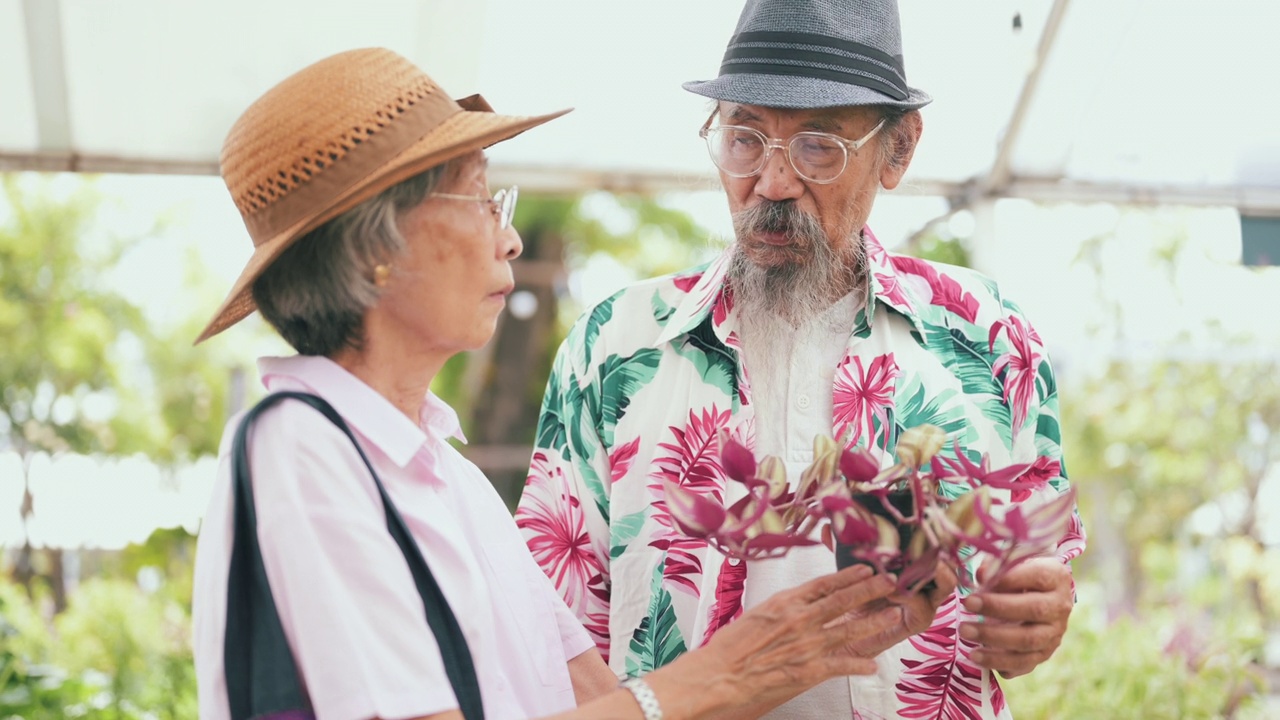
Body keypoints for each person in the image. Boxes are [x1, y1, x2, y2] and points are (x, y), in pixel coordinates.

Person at [189, 47, 950, 720]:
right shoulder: (299, 449)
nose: (509, 236)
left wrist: (771, 660)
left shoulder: (443, 473)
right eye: (481, 198)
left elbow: (589, 692)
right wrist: (726, 675)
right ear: (375, 251)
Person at [515, 1, 1087, 718]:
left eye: (818, 147)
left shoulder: (987, 334)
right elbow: (551, 627)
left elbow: (1041, 570)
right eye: (744, 139)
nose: (773, 184)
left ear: (899, 150)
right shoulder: (618, 345)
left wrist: (1034, 617)